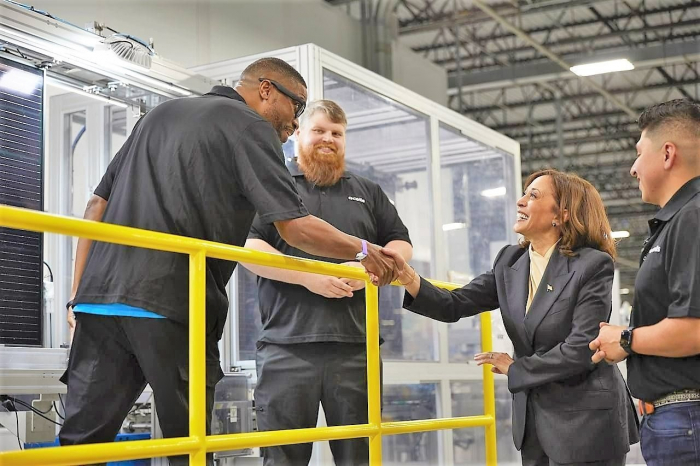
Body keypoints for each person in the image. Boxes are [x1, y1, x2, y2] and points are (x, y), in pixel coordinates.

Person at [59, 58, 399, 466]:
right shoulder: (250, 127)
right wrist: (364, 250)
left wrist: (77, 294)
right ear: (267, 90)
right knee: (190, 446)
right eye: (297, 109)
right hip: (173, 303)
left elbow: (97, 205)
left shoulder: (159, 115)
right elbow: (294, 227)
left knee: (81, 445)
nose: (294, 124)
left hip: (98, 303)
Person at [383, 169, 639, 466]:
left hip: (585, 424)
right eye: (523, 194)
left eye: (533, 195)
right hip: (533, 425)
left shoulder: (592, 265)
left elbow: (582, 347)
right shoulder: (510, 262)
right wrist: (409, 277)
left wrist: (516, 368)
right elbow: (456, 303)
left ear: (563, 214)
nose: (520, 201)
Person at [241, 100, 413, 466]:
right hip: (287, 347)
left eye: (337, 134)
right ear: (298, 134)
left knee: (360, 456)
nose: (328, 139)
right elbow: (249, 248)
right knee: (284, 458)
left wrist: (379, 268)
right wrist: (308, 278)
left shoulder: (367, 191)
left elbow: (400, 242)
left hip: (356, 350)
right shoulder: (275, 182)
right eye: (319, 130)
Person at [589, 99, 700, 466]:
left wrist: (624, 339)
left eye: (639, 153)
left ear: (667, 153)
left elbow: (693, 330)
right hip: (676, 421)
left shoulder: (692, 217)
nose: (634, 168)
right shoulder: (677, 221)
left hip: (686, 421)